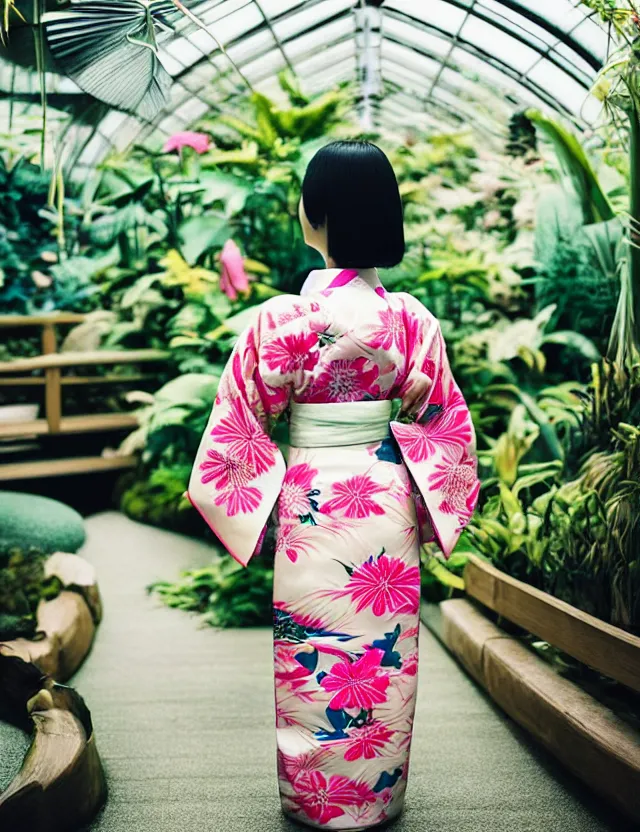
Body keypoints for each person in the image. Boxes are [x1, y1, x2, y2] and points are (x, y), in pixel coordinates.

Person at [188, 140, 479, 830]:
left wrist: (247, 509)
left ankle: (314, 798)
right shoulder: (411, 320)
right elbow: (446, 426)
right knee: (384, 655)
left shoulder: (280, 322)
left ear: (312, 216)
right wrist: (432, 496)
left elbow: (238, 422)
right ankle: (377, 796)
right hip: (384, 501)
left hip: (312, 502)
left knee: (312, 648)